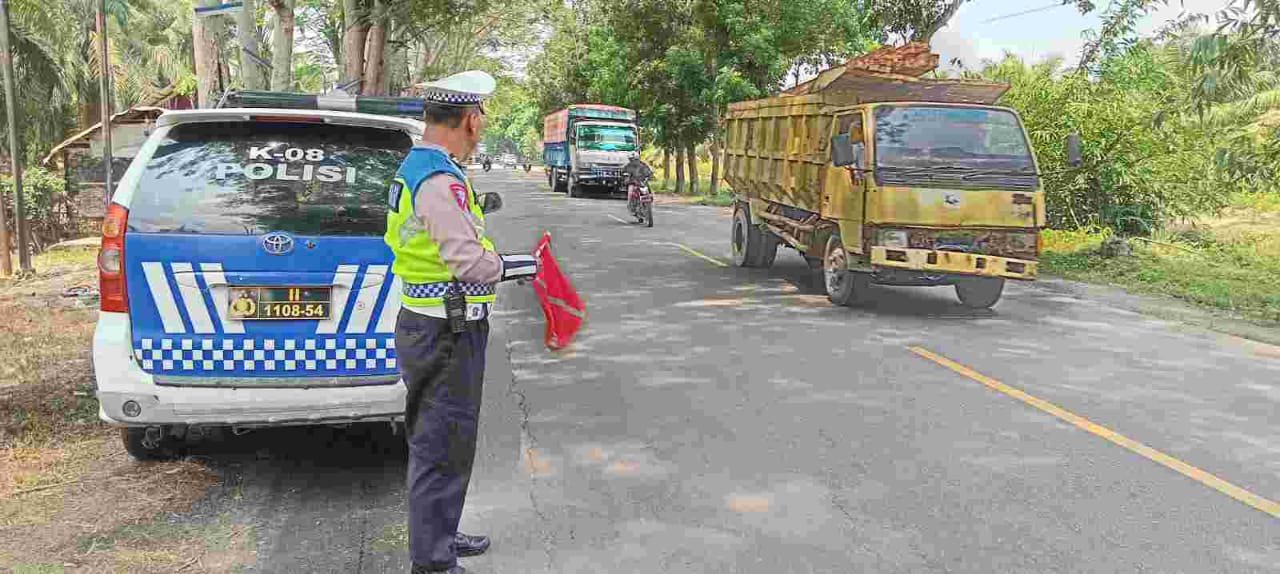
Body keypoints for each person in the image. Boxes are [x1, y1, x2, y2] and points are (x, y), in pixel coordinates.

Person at [384, 70, 537, 574]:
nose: (483, 127)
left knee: (446, 443)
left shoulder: (422, 168)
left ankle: (441, 536)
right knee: (440, 445)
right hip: (445, 332)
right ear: (470, 120)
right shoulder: (437, 180)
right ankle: (432, 562)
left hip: (435, 326)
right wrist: (520, 265)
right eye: (483, 119)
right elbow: (469, 263)